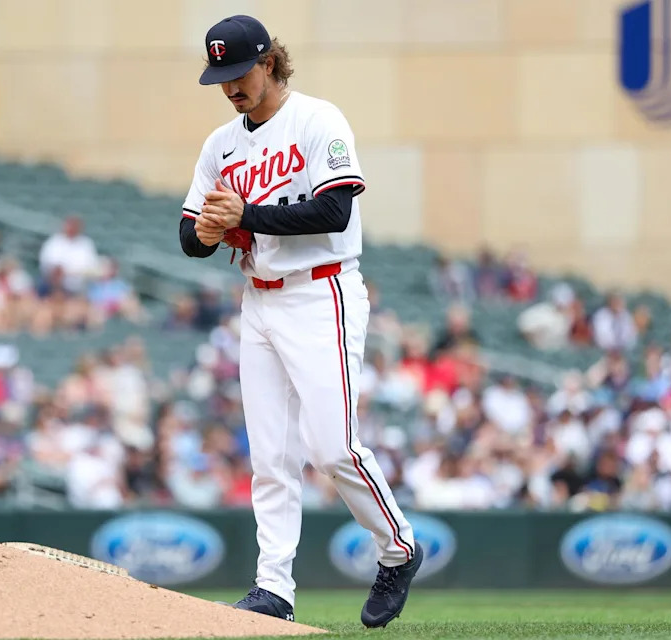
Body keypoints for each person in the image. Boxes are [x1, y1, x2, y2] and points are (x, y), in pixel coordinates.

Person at [179, 15, 421, 627]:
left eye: (239, 72)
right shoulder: (221, 145)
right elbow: (190, 236)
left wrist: (246, 214)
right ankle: (273, 590)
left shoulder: (318, 120)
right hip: (258, 301)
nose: (231, 86)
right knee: (270, 457)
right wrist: (206, 231)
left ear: (268, 62)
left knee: (333, 446)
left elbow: (335, 210)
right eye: (221, 77)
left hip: (322, 294)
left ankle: (398, 548)